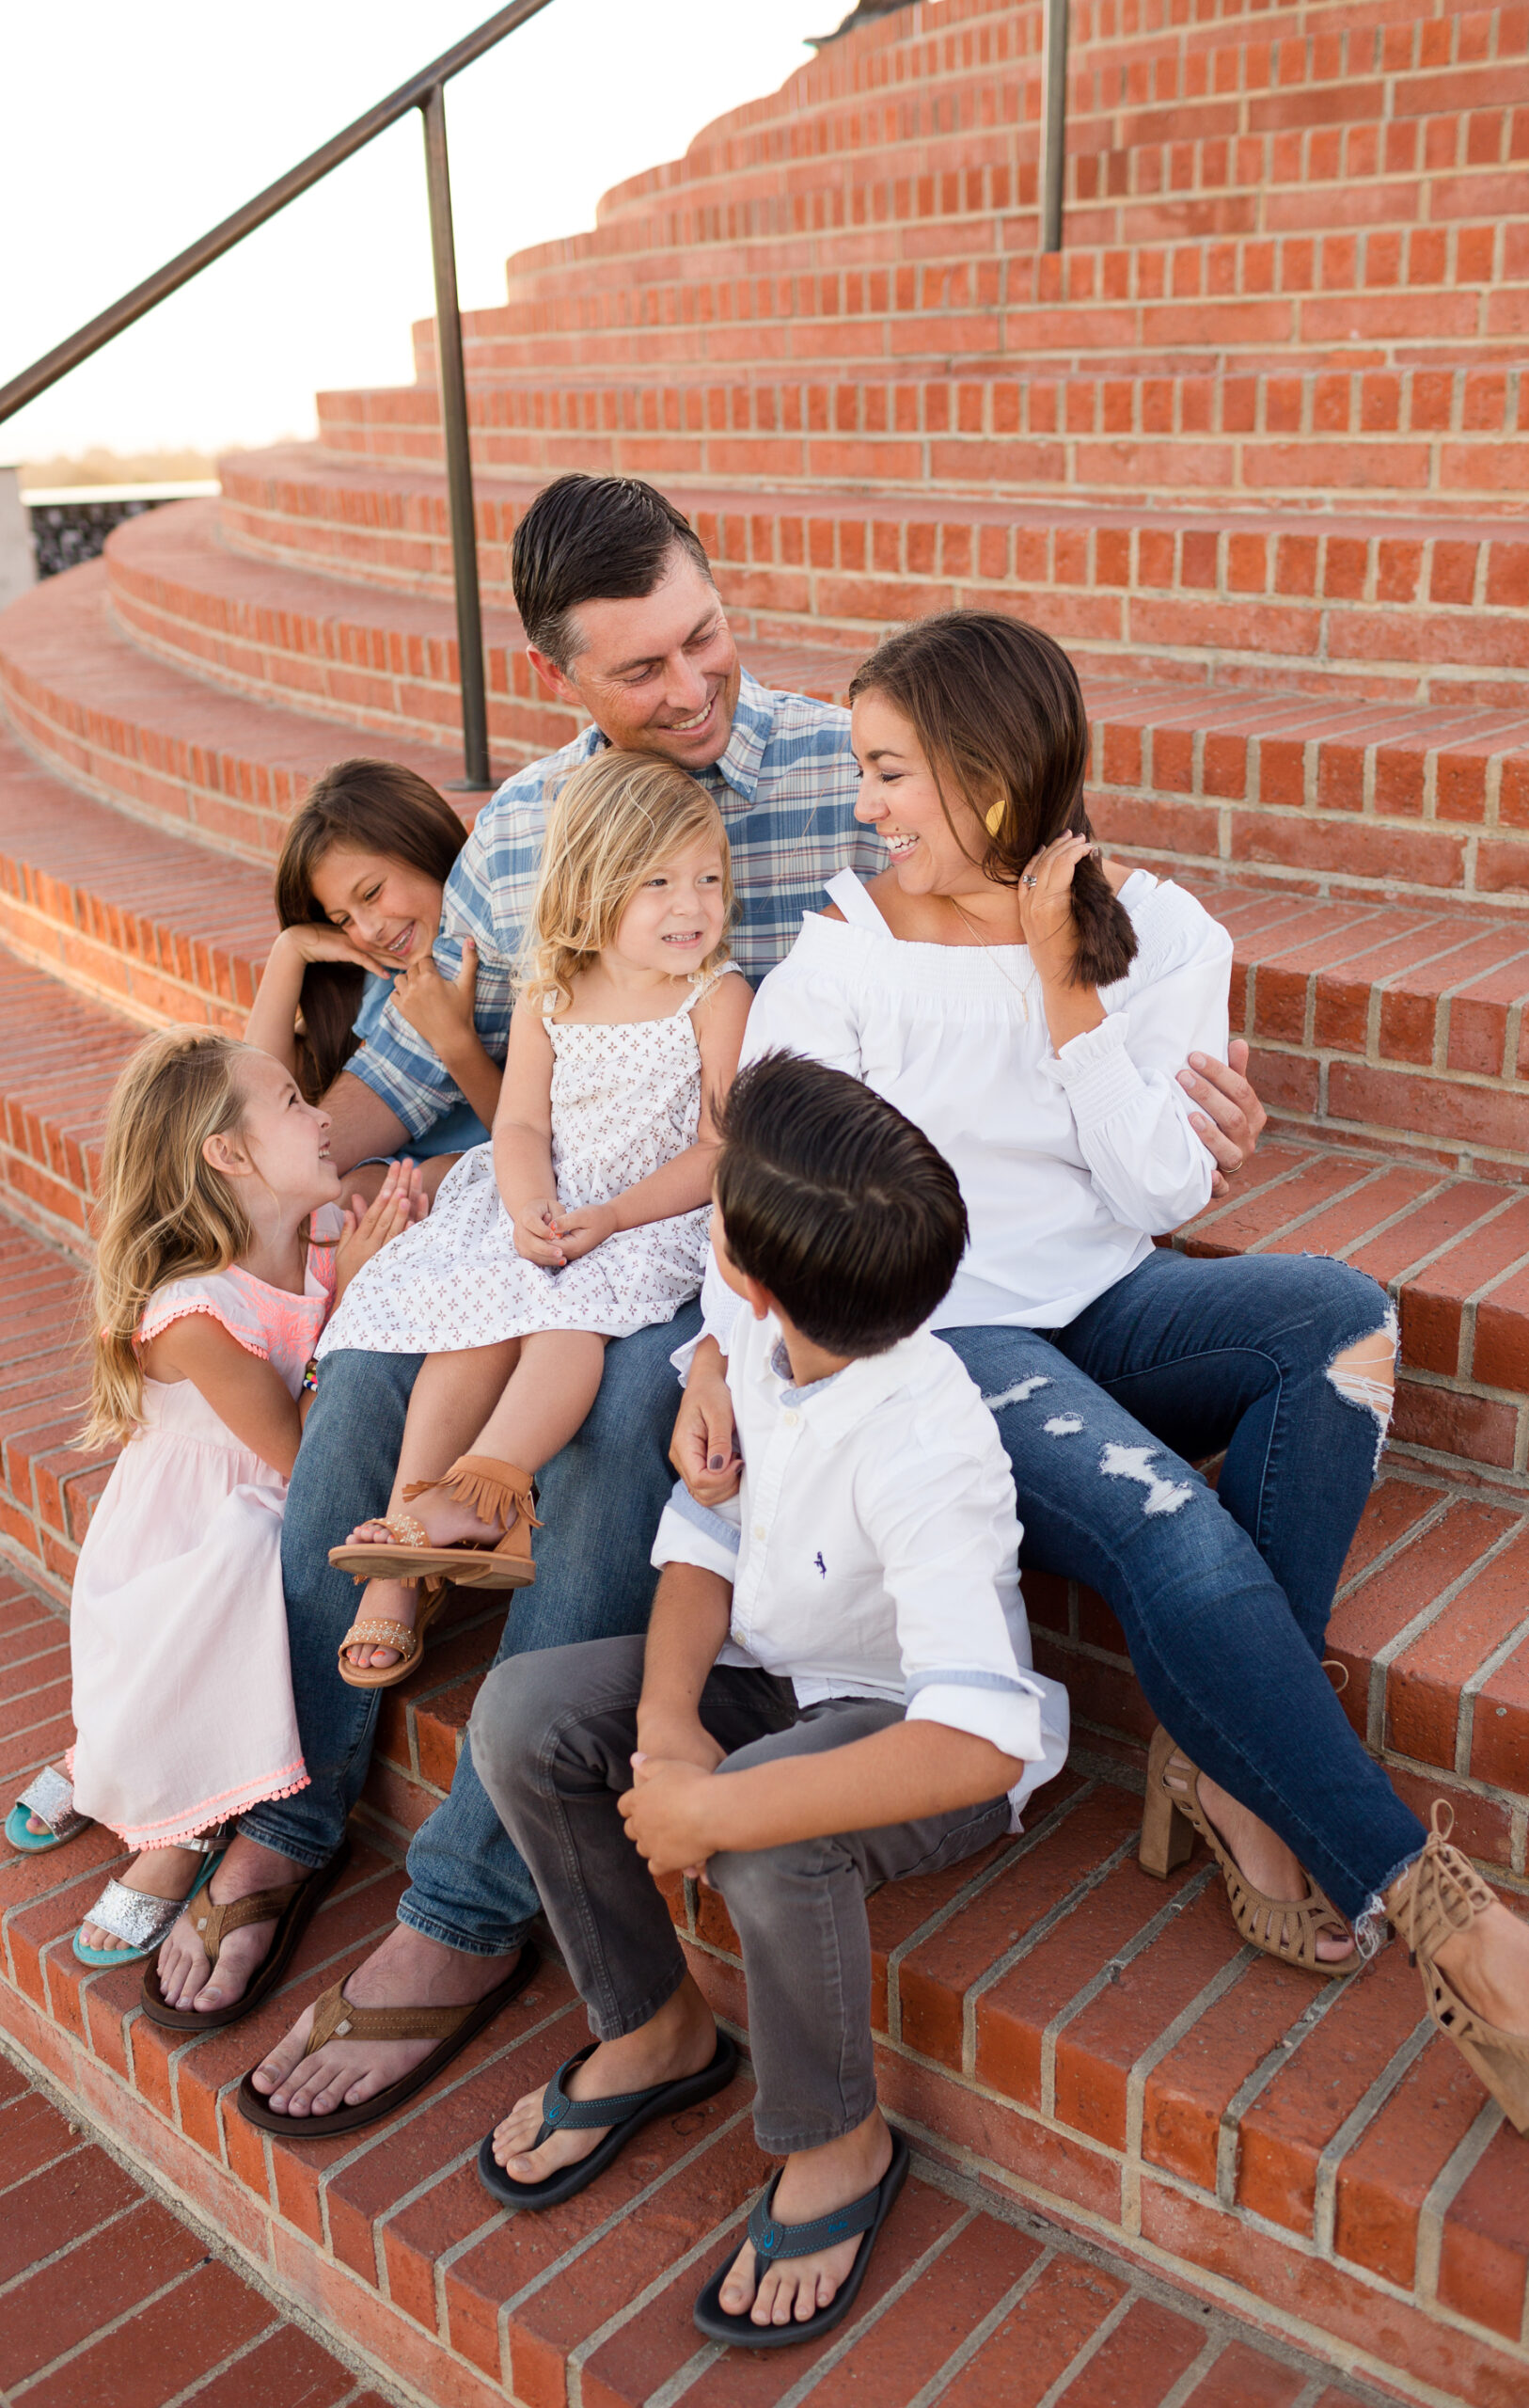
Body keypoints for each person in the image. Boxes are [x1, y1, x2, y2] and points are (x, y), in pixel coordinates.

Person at [159, 474, 1265, 2129]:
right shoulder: (523, 832)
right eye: (639, 672)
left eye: (705, 639)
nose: (689, 689)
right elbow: (414, 1073)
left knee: (623, 1415)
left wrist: (1174, 1081)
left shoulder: (851, 761)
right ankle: (291, 1810)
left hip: (739, 1221)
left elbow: (1042, 868)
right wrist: (269, 1196)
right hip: (559, 1207)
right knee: (380, 1371)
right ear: (559, 680)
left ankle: (461, 1911)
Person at [671, 609, 1529, 2137]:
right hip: (946, 1335)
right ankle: (1459, 1932)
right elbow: (761, 1182)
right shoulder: (839, 961)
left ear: (990, 775)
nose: (866, 806)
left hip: (1107, 1293)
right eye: (864, 770)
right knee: (1171, 1524)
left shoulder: (1155, 928)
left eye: (892, 771)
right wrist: (722, 1349)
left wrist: (1064, 993)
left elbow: (1160, 1194)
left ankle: (1219, 1748)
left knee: (1343, 1317)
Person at [468, 1053, 1070, 2343]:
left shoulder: (930, 1444)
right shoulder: (752, 1335)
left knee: (762, 1836)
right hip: (765, 1677)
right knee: (521, 1716)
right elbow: (705, 1531)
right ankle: (653, 2029)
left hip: (906, 1734)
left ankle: (835, 2140)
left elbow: (973, 1741)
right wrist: (667, 1724)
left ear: (737, 1259)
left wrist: (712, 1813)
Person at [314, 750, 749, 1692]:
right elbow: (517, 1123)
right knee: (467, 1327)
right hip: (544, 1201)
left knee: (563, 1328)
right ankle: (401, 1552)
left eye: (708, 879)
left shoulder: (718, 996)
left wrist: (611, 1214)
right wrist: (523, 1209)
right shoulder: (555, 995)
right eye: (660, 883)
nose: (693, 905)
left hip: (650, 1217)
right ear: (592, 889)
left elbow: (721, 1150)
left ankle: (489, 1487)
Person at [13, 1030, 418, 1977]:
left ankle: (119, 1762)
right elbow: (302, 1457)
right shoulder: (196, 1312)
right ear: (228, 1157)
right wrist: (352, 1303)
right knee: (238, 1557)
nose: (321, 1115)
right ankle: (174, 1821)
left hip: (267, 1512)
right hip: (190, 1527)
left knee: (256, 1549)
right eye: (289, 1102)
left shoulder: (325, 1239)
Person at [245, 757, 500, 1170]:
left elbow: (526, 1134)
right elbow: (254, 1105)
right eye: (342, 920)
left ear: (423, 845)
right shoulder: (370, 980)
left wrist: (454, 1042)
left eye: (371, 893)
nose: (368, 930)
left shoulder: (495, 959)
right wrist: (289, 951)